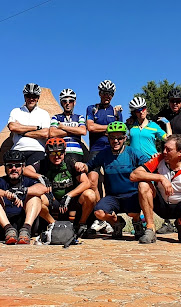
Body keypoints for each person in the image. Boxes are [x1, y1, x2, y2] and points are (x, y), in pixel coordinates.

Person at [75, 122, 155, 243]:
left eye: (119, 138)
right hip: (113, 197)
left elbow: (149, 164)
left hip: (131, 195)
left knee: (133, 212)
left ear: (125, 138)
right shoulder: (104, 154)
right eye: (112, 138)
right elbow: (90, 165)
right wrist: (82, 166)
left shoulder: (132, 152)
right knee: (99, 213)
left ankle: (137, 221)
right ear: (108, 139)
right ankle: (117, 223)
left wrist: (155, 159)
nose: (116, 141)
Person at [130, 134, 181, 246]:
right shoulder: (159, 160)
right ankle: (150, 229)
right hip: (160, 203)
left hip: (180, 206)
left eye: (168, 150)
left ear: (180, 152)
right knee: (143, 185)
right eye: (163, 148)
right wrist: (161, 178)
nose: (164, 152)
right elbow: (134, 175)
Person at [23, 138, 97, 237]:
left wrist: (69, 195)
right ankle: (53, 224)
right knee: (35, 199)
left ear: (64, 152)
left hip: (70, 199)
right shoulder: (43, 163)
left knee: (90, 194)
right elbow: (24, 170)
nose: (57, 156)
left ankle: (81, 224)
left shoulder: (70, 161)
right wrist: (39, 176)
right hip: (52, 199)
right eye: (53, 153)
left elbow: (86, 183)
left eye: (60, 153)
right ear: (47, 153)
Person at [0, 150, 47, 244]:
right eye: (10, 166)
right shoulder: (0, 181)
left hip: (23, 223)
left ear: (23, 166)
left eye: (17, 165)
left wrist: (23, 191)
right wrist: (5, 194)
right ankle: (9, 229)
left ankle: (26, 229)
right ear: (5, 167)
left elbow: (42, 189)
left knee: (35, 197)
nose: (14, 168)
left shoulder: (28, 181)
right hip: (2, 228)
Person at [154, 88, 181, 235]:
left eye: (178, 101)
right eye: (172, 101)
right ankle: (167, 223)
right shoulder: (162, 115)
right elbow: (149, 125)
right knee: (165, 188)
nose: (175, 104)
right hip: (166, 158)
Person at [85, 80, 123, 229]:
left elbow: (120, 130)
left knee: (111, 183)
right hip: (96, 148)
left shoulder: (117, 111)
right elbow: (90, 127)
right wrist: (109, 127)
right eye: (104, 93)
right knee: (93, 180)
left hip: (112, 149)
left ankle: (108, 217)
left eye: (110, 93)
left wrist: (103, 128)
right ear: (99, 94)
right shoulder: (92, 108)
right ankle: (100, 217)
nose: (107, 96)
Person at [7, 83, 51, 170]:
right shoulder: (16, 111)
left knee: (31, 176)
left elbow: (45, 133)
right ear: (24, 97)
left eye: (34, 96)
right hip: (18, 149)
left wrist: (22, 132)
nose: (31, 99)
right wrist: (36, 127)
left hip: (37, 150)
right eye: (28, 96)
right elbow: (12, 127)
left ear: (38, 98)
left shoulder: (44, 113)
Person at [49, 88, 88, 163]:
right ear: (61, 103)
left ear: (74, 103)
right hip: (61, 152)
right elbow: (52, 133)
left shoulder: (79, 117)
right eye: (64, 101)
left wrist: (63, 127)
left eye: (71, 101)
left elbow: (83, 131)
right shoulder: (56, 117)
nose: (67, 103)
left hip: (78, 152)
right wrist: (75, 130)